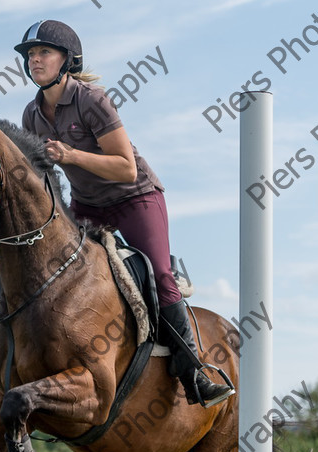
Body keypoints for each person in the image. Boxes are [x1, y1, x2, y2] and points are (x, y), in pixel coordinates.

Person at [14, 20, 233, 408]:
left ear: (67, 60)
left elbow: (125, 167)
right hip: (86, 204)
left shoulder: (91, 100)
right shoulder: (32, 114)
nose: (35, 61)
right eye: (31, 55)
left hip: (134, 198)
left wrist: (70, 155)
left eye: (43, 53)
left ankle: (194, 373)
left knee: (161, 275)